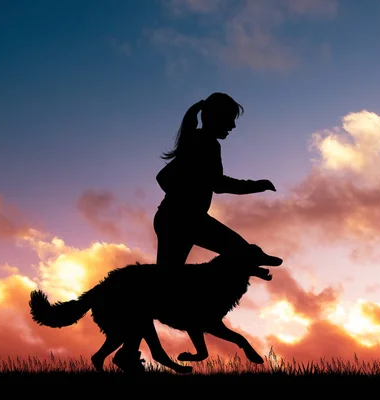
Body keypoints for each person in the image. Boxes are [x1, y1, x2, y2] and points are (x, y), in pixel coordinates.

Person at [112, 92, 282, 373]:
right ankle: (138, 347)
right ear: (215, 118)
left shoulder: (197, 141)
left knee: (165, 283)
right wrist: (256, 185)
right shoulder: (205, 143)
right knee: (172, 279)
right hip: (181, 220)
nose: (233, 127)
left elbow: (165, 177)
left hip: (181, 218)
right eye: (229, 120)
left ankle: (132, 350)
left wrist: (184, 194)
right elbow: (214, 183)